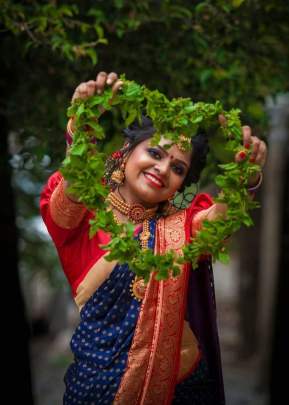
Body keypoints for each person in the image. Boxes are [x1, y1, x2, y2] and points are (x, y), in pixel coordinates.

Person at [40, 72, 267, 404]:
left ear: (180, 184)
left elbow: (219, 220)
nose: (163, 169)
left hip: (182, 387)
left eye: (178, 168)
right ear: (128, 150)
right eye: (156, 154)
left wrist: (245, 177)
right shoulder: (82, 214)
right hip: (97, 383)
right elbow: (72, 187)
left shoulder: (179, 228)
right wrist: (84, 120)